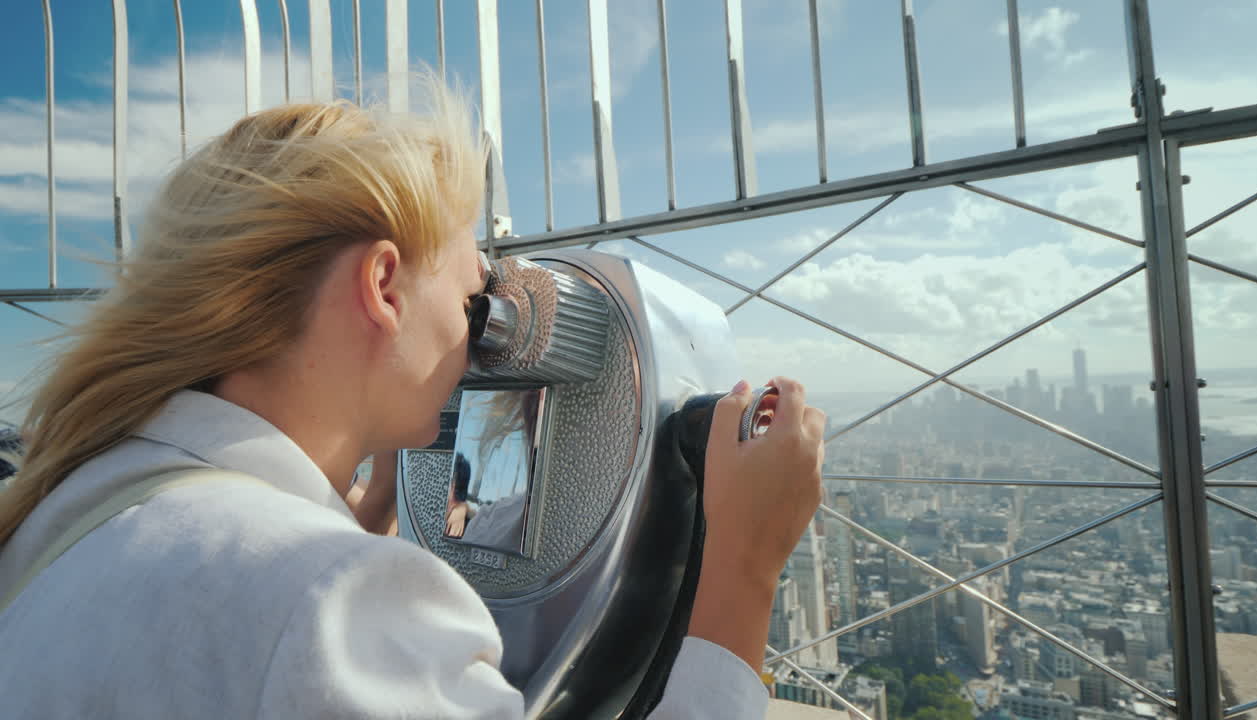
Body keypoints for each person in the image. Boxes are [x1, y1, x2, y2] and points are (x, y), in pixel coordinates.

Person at [0, 79, 826, 719]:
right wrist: (745, 567)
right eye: (475, 304)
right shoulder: (332, 601)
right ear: (384, 285)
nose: (481, 352)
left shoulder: (68, 505)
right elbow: (281, 627)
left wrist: (354, 516)